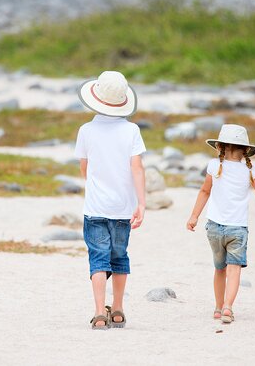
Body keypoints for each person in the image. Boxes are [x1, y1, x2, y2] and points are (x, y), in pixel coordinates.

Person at [74, 70, 146, 330]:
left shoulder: (86, 130)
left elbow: (84, 167)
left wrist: (93, 185)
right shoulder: (132, 130)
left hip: (95, 207)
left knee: (98, 259)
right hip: (122, 208)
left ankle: (98, 312)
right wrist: (142, 203)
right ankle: (117, 309)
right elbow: (137, 168)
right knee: (120, 258)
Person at [186, 124, 255, 323]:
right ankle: (228, 307)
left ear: (220, 147)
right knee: (234, 269)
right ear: (245, 149)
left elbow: (204, 192)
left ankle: (218, 307)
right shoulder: (250, 170)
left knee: (219, 269)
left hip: (215, 227)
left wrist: (194, 217)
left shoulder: (213, 166)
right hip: (238, 229)